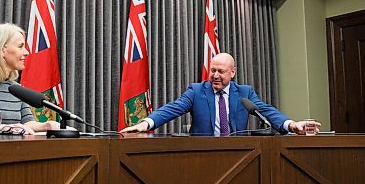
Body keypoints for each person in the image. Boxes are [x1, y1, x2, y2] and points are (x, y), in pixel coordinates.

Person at [120, 53, 320, 135]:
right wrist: (146, 123)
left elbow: (266, 111)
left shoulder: (245, 93)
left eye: (221, 71)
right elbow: (173, 108)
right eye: (212, 70)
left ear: (233, 72)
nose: (215, 75)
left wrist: (292, 125)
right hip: (203, 157)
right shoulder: (197, 91)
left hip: (239, 157)